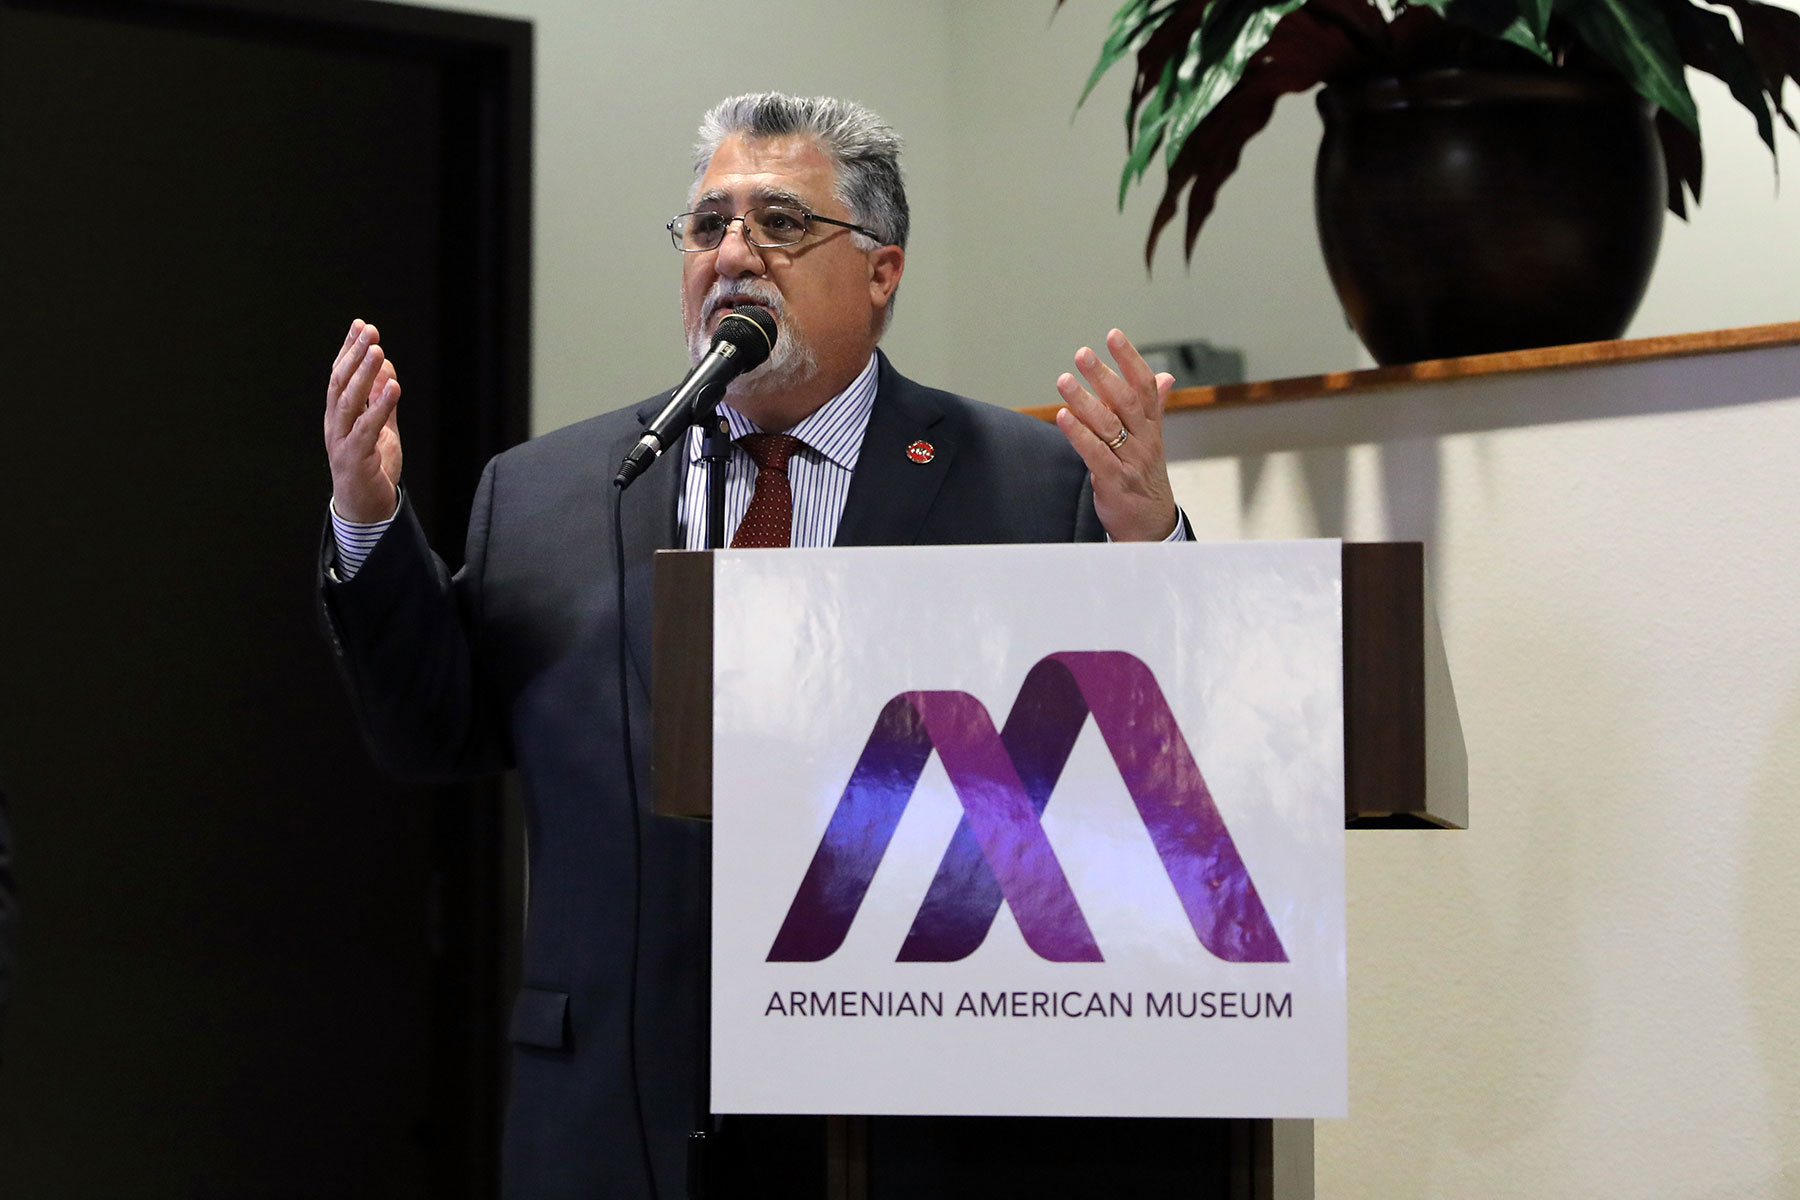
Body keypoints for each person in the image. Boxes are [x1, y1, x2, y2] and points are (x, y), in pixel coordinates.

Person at [319, 92, 1182, 1200]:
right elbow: (431, 734)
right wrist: (368, 523)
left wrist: (1152, 542)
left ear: (882, 271)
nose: (733, 254)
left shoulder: (1025, 483)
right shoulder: (546, 492)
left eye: (781, 223)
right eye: (707, 225)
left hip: (907, 1113)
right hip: (612, 1111)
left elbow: (1143, 767)